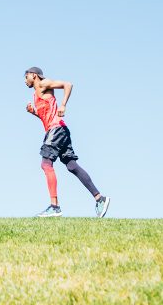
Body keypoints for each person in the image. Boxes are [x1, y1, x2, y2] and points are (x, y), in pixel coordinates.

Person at [25, 67, 110, 218]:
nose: (25, 80)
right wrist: (34, 113)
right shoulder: (36, 94)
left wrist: (63, 104)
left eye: (26, 77)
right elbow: (46, 116)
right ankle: (100, 199)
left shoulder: (43, 83)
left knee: (46, 164)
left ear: (34, 75)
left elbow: (68, 84)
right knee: (72, 166)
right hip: (59, 130)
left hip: (56, 130)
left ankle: (54, 207)